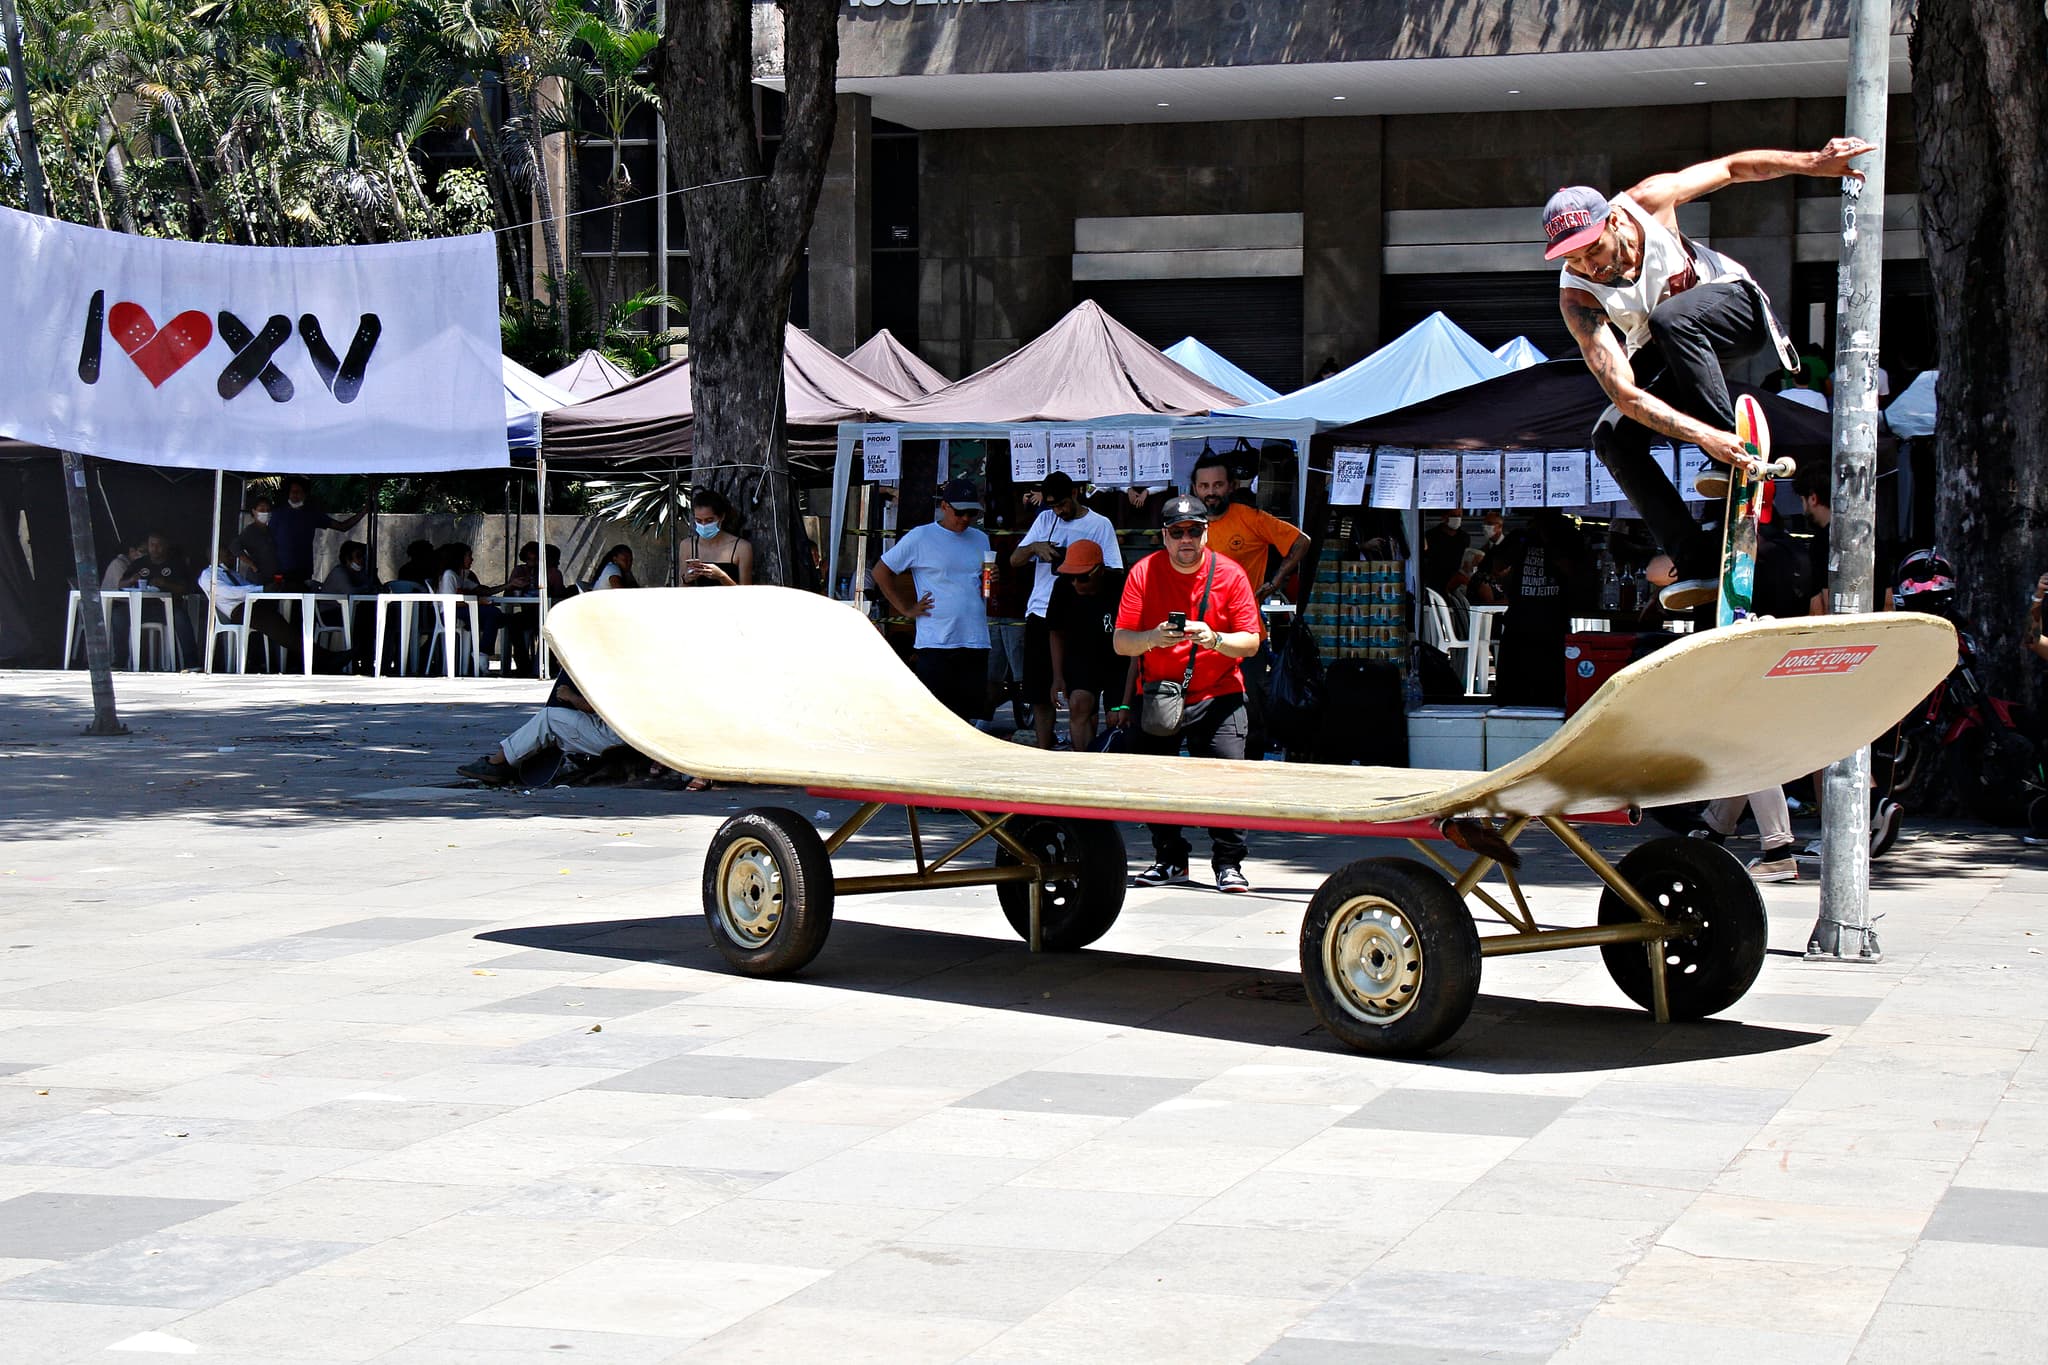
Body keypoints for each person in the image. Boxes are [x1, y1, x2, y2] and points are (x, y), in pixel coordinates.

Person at [1546, 136, 1875, 609]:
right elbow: (1624, 394)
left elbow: (1733, 167)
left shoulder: (1648, 201)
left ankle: (1731, 446)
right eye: (1573, 260)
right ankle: (1694, 559)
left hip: (1733, 308)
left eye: (1592, 252)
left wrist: (1814, 164)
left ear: (1613, 222)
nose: (1588, 268)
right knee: (1612, 435)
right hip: (1670, 348)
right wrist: (1703, 437)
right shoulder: (1577, 299)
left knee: (1669, 318)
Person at [1114, 494, 1264, 893]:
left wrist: (1214, 639)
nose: (1186, 540)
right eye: (1177, 532)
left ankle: (1228, 863)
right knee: (1157, 781)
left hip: (1220, 693)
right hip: (1161, 694)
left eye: (1193, 531)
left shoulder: (1230, 574)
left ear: (1206, 533)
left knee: (1226, 780)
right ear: (1163, 536)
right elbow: (1121, 643)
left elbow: (1251, 643)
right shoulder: (1143, 573)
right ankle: (1169, 859)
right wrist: (1152, 638)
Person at [1191, 452, 1307, 756]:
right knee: (1200, 714)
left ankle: (1250, 780)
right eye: (1204, 486)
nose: (1211, 492)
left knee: (1251, 712)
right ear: (1194, 489)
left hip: (1246, 634)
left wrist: (1278, 579)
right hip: (1199, 636)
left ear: (1231, 486)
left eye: (1217, 484)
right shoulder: (1187, 524)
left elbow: (1301, 541)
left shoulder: (1249, 518)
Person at [1011, 471, 1124, 749]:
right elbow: (1014, 560)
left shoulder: (1099, 524)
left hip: (1082, 614)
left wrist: (1079, 562)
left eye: (1061, 504)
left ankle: (1087, 749)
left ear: (1075, 493)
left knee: (1081, 695)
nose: (1058, 511)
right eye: (1052, 505)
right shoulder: (1045, 520)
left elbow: (1115, 569)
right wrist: (1035, 547)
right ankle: (1044, 744)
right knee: (1039, 690)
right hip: (1041, 609)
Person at [872, 478, 992, 724]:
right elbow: (880, 571)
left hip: (975, 639)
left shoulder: (980, 538)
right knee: (937, 718)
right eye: (960, 512)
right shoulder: (921, 537)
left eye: (972, 513)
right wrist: (905, 608)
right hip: (937, 642)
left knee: (968, 719)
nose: (965, 519)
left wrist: (991, 580)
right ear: (945, 506)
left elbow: (981, 586)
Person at [1490, 510, 1589, 707]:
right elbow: (1497, 566)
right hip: (1519, 624)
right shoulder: (1520, 537)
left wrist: (1550, 539)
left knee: (1549, 693)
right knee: (1511, 692)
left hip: (1551, 627)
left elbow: (1574, 572)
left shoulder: (1569, 537)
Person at [458, 676, 629, 785]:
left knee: (549, 717)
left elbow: (591, 707)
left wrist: (570, 696)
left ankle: (497, 763)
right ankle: (516, 755)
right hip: (623, 733)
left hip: (613, 736)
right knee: (562, 722)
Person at [1045, 540, 1122, 752]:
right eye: (1070, 577)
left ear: (1100, 570)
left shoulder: (1120, 584)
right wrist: (1058, 676)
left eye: (1082, 577)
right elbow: (1056, 633)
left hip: (1118, 658)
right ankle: (1085, 762)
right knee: (1079, 705)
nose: (1076, 583)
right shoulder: (1062, 587)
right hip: (1080, 655)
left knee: (1116, 716)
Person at [269, 476, 368, 589]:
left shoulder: (311, 514)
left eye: (299, 492)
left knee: (300, 604)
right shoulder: (278, 514)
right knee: (282, 603)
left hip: (303, 570)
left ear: (305, 495)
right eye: (293, 492)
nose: (295, 495)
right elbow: (268, 541)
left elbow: (343, 526)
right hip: (281, 570)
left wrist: (364, 512)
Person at [322, 539, 379, 675]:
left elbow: (373, 587)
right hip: (330, 614)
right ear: (347, 558)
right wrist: (366, 587)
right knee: (365, 619)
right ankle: (361, 658)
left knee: (372, 617)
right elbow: (351, 593)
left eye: (364, 557)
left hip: (348, 612)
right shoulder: (339, 573)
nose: (362, 560)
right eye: (358, 556)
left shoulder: (359, 573)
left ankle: (367, 659)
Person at [679, 487, 754, 587]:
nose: (704, 525)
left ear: (721, 517)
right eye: (699, 521)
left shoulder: (741, 548)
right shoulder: (687, 546)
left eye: (709, 520)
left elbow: (746, 593)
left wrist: (721, 577)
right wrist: (686, 579)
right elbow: (681, 589)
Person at [231, 495, 280, 585]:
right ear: (254, 511)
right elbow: (235, 547)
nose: (265, 513)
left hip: (273, 576)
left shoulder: (270, 530)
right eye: (261, 510)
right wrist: (252, 565)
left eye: (268, 511)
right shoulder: (250, 531)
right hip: (258, 576)